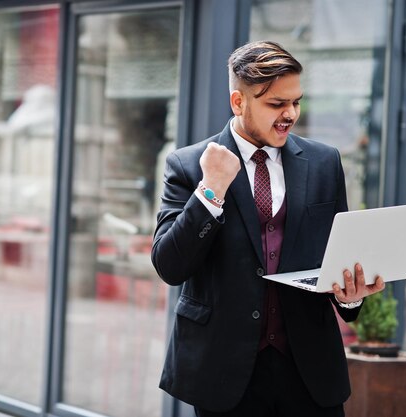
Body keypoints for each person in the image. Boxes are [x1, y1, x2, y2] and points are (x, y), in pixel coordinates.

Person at [150, 40, 386, 417]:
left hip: (310, 370)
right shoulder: (189, 164)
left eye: (296, 101)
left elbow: (336, 258)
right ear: (238, 102)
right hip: (224, 371)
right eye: (276, 104)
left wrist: (351, 295)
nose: (290, 114)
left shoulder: (324, 162)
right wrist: (210, 190)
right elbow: (170, 265)